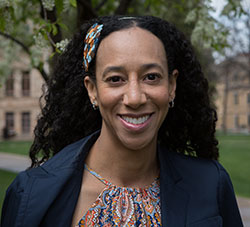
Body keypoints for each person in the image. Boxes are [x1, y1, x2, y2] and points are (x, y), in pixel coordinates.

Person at [1, 15, 243, 227]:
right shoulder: (31, 195)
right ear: (92, 90)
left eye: (151, 77)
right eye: (116, 79)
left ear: (172, 86)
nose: (135, 98)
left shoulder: (211, 185)